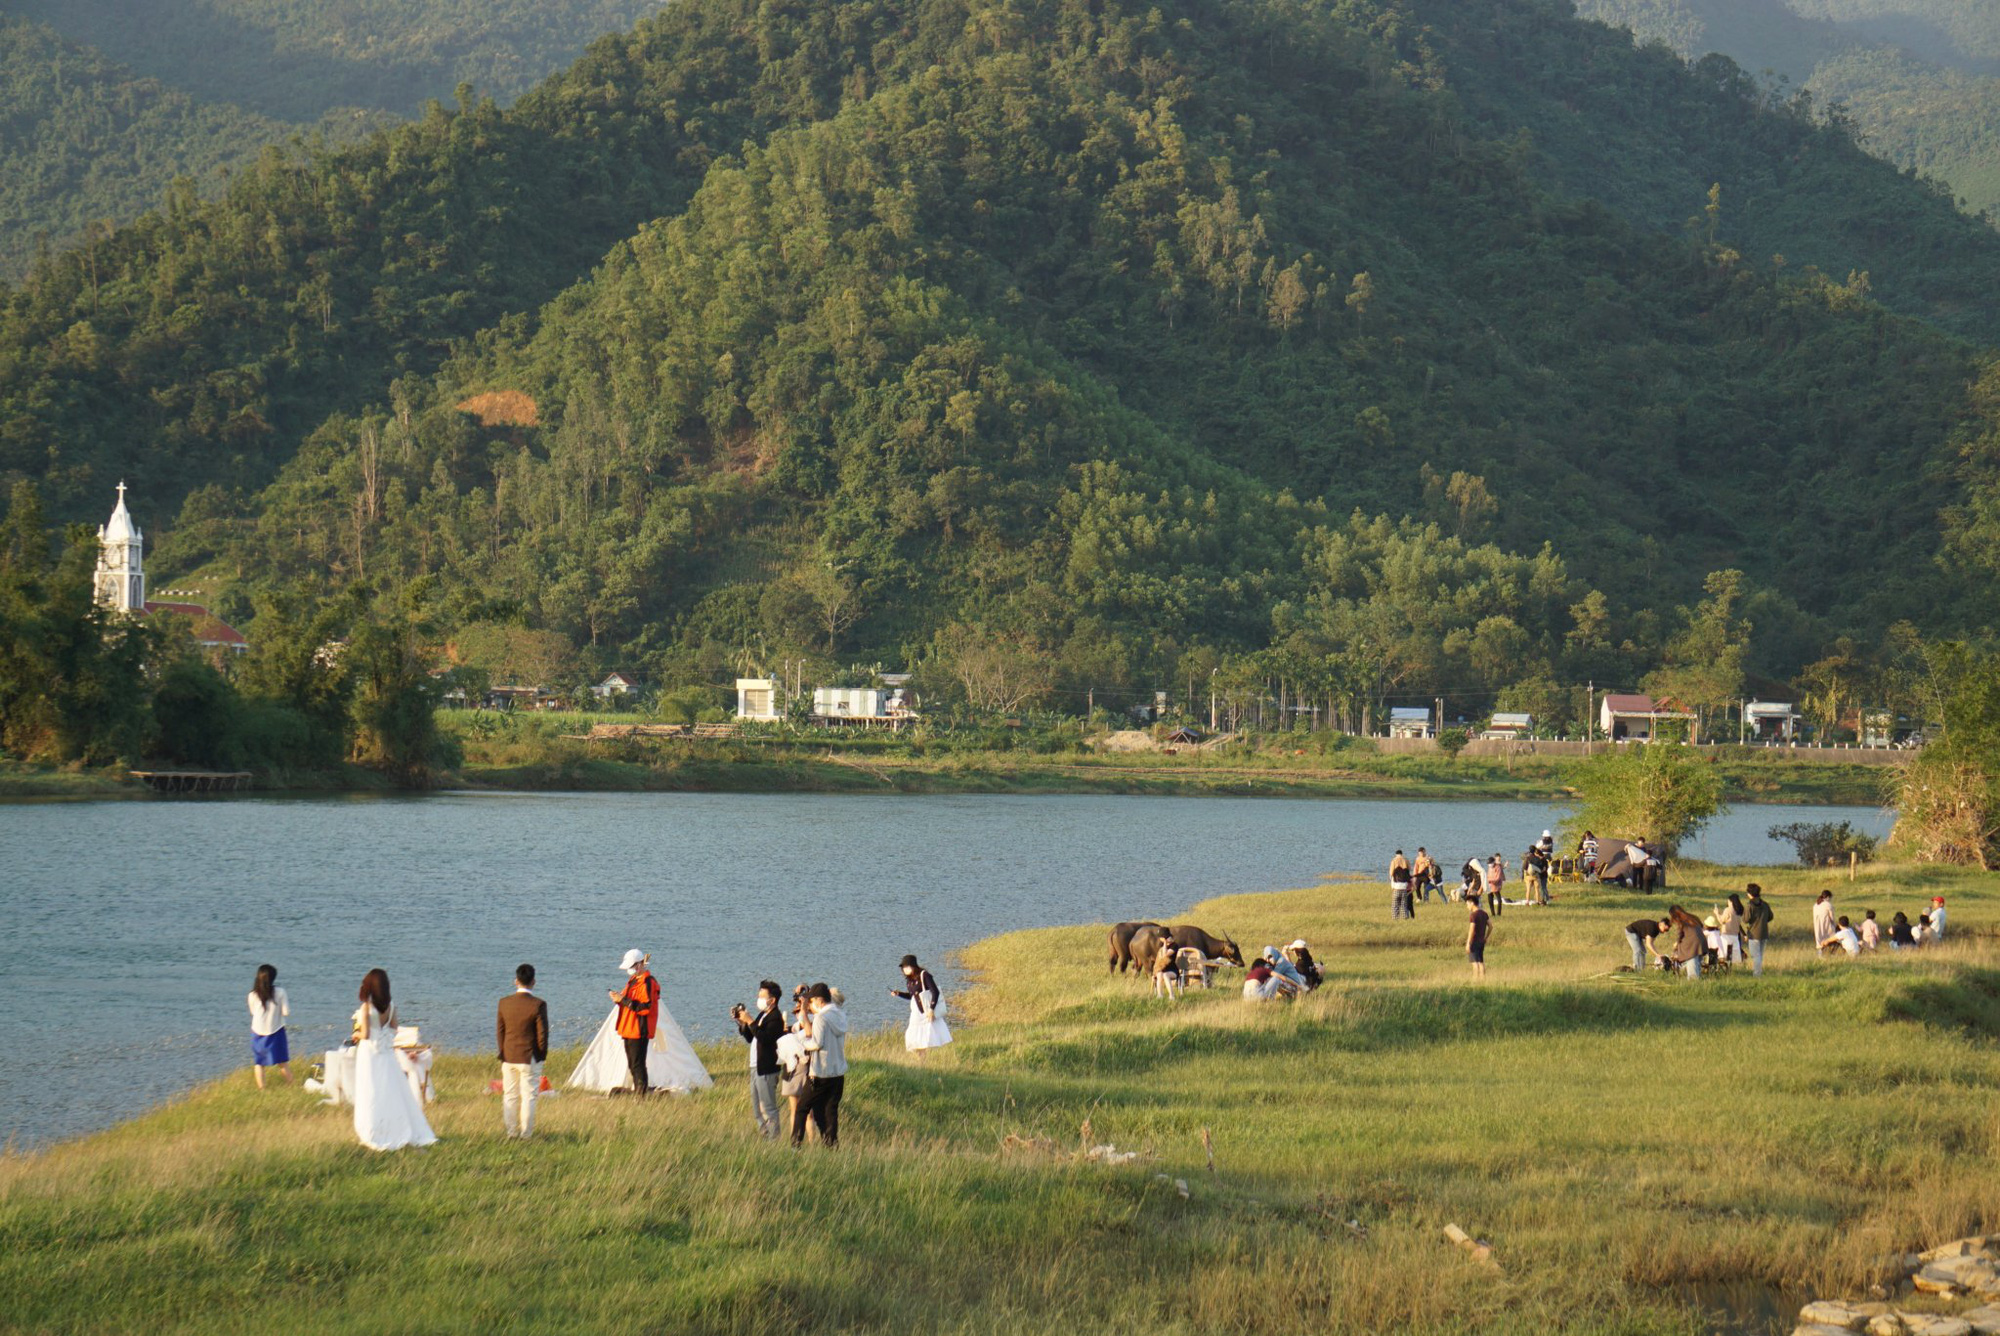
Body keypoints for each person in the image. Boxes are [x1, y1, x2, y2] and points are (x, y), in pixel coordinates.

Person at [351, 968, 436, 1152]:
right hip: (386, 1053)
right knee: (391, 1089)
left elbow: (365, 1033)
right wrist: (382, 1035)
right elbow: (395, 1028)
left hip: (369, 1053)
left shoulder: (367, 1007)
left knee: (370, 1090)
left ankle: (374, 1129)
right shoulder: (391, 1006)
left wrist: (356, 1033)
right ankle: (396, 1127)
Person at [497, 962, 549, 1140]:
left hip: (509, 1055)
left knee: (509, 1095)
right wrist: (541, 1055)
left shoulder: (504, 1003)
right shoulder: (538, 1004)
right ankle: (526, 1134)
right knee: (529, 1096)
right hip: (529, 1057)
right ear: (533, 982)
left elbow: (500, 1031)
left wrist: (502, 1053)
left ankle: (511, 1132)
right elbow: (543, 1034)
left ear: (516, 981)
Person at [792, 983, 847, 1148]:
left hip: (821, 1072)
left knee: (802, 1108)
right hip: (838, 1072)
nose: (810, 1005)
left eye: (811, 1001)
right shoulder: (840, 1015)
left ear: (818, 1000)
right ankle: (831, 1145)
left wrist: (800, 1041)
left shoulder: (821, 1018)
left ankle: (795, 1146)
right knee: (829, 1111)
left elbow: (816, 1043)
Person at [733, 980, 785, 1139]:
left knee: (768, 1108)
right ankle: (764, 1135)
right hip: (755, 1067)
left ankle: (774, 1139)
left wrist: (750, 1021)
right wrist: (742, 1023)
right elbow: (752, 1037)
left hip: (767, 1068)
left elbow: (765, 1038)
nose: (759, 999)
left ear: (772, 1000)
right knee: (757, 1108)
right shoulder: (763, 1014)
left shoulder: (776, 1018)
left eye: (762, 996)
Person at [610, 948, 660, 1097]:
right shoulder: (633, 980)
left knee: (638, 1064)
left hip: (639, 1028)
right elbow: (628, 1001)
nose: (629, 971)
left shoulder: (648, 982)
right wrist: (618, 999)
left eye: (631, 967)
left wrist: (622, 1000)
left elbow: (645, 1007)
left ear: (639, 965)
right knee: (633, 1063)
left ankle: (641, 1094)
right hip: (628, 1028)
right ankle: (639, 1091)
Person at [893, 955, 954, 1053]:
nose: (905, 969)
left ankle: (922, 1059)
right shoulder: (909, 980)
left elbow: (935, 992)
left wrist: (931, 1009)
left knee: (923, 1037)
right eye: (903, 967)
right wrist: (898, 993)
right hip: (916, 1012)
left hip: (926, 1011)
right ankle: (921, 1059)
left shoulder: (924, 975)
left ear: (913, 966)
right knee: (913, 1036)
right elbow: (911, 996)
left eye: (907, 967)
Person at [246, 964, 291, 1090]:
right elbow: (286, 1012)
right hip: (276, 1030)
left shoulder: (252, 995)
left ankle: (262, 1089)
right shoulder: (280, 992)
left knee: (259, 1063)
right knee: (282, 1062)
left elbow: (253, 1013)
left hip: (257, 1032)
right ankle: (291, 1085)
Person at [1743, 884, 1774, 977]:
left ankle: (1757, 975)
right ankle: (1758, 973)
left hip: (1754, 934)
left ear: (1750, 893)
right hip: (1764, 933)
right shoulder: (1765, 904)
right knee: (1760, 955)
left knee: (1755, 956)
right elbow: (1771, 916)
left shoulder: (1750, 905)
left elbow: (1745, 920)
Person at [1664, 907, 1703, 978]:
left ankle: (1692, 982)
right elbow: (1701, 926)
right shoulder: (1692, 917)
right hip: (1701, 942)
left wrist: (1676, 943)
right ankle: (1697, 982)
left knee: (1692, 966)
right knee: (1697, 965)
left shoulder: (1682, 920)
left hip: (1692, 944)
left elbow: (1681, 934)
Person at [1466, 897, 1491, 980]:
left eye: (1468, 904)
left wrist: (1468, 943)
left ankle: (1475, 979)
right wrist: (1486, 937)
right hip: (1481, 941)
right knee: (1481, 962)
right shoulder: (1484, 913)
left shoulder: (1473, 915)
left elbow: (1471, 929)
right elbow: (1490, 926)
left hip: (1474, 941)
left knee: (1475, 963)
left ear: (1472, 903)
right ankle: (1483, 979)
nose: (1467, 907)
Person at [1390, 850, 1414, 920]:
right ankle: (1405, 918)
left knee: (1395, 905)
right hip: (1404, 887)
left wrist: (1392, 885)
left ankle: (1395, 918)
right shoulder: (1405, 860)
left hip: (1396, 887)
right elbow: (1409, 869)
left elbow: (1391, 873)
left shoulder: (1393, 861)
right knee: (1404, 904)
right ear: (1402, 854)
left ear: (1396, 854)